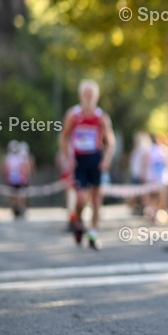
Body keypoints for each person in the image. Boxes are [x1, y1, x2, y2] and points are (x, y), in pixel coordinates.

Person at [60, 79, 116, 250]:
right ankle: (78, 221)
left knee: (97, 200)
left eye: (92, 94)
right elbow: (64, 137)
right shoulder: (73, 115)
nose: (89, 98)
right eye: (86, 94)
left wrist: (106, 159)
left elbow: (110, 141)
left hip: (95, 160)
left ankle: (93, 234)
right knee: (81, 199)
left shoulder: (101, 117)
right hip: (79, 161)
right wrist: (67, 158)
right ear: (81, 95)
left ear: (97, 96)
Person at [2, 140, 31, 218]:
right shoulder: (11, 157)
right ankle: (17, 208)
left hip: (18, 179)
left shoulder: (15, 157)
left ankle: (18, 208)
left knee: (18, 194)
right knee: (16, 194)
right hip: (15, 179)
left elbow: (23, 167)